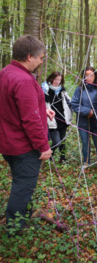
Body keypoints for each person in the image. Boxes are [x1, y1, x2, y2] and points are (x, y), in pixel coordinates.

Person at [0, 35, 54, 232]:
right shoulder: (23, 80)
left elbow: (14, 106)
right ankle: (14, 228)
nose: (42, 61)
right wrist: (44, 146)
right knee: (23, 187)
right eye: (41, 58)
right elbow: (29, 120)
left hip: (8, 142)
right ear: (29, 56)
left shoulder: (6, 72)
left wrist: (42, 109)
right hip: (24, 147)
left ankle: (22, 214)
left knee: (20, 183)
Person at [71, 67, 97, 166]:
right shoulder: (79, 90)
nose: (89, 77)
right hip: (83, 121)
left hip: (96, 121)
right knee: (85, 143)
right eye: (86, 75)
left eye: (91, 75)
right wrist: (88, 111)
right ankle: (86, 162)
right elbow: (74, 104)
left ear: (95, 76)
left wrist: (94, 112)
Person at [42, 72, 72, 163]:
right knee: (57, 141)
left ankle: (62, 158)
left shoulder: (62, 90)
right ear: (51, 79)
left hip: (62, 118)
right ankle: (49, 154)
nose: (57, 82)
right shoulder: (45, 90)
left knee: (62, 140)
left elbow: (69, 101)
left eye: (59, 80)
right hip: (51, 119)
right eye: (55, 79)